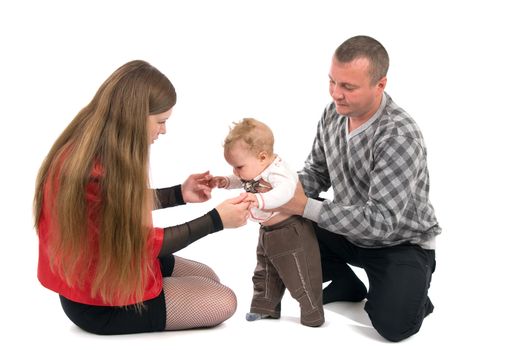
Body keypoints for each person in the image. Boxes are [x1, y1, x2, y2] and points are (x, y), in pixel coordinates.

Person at [33, 60, 251, 335]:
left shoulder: (92, 147)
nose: (164, 130)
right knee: (224, 301)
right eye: (160, 121)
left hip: (108, 267)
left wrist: (178, 194)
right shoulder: (93, 171)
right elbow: (141, 244)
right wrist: (215, 221)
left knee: (209, 277)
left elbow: (114, 205)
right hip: (99, 302)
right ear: (135, 115)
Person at [276, 36, 441, 341]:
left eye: (348, 87)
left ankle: (414, 293)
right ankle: (346, 283)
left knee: (393, 326)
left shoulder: (398, 135)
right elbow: (316, 172)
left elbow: (380, 222)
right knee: (283, 222)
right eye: (332, 82)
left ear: (380, 84)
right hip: (351, 231)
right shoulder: (333, 113)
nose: (336, 94)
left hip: (399, 242)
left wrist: (302, 205)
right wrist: (277, 192)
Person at [211, 118, 324, 327]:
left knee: (300, 275)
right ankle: (265, 308)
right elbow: (244, 179)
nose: (236, 172)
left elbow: (285, 193)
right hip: (267, 232)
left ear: (262, 157)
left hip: (291, 232)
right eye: (233, 168)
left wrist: (259, 200)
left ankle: (312, 313)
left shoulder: (279, 172)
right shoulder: (253, 168)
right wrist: (226, 181)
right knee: (264, 272)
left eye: (239, 166)